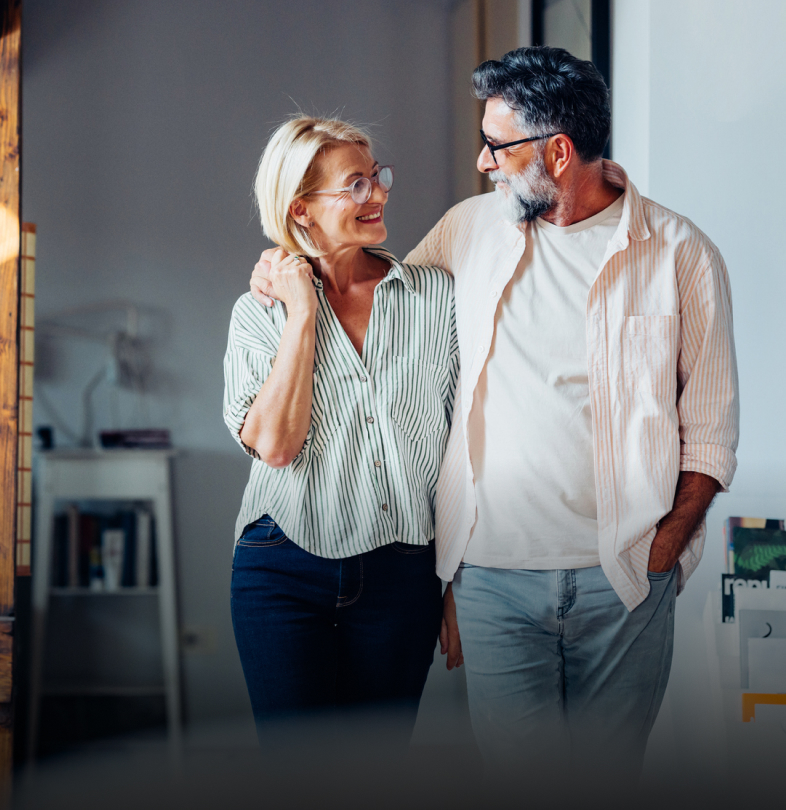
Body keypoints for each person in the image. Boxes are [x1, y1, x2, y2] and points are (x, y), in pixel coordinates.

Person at [250, 48, 739, 790]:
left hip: (628, 578)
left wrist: (667, 543)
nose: (482, 162)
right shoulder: (466, 230)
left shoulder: (681, 254)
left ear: (558, 151)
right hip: (493, 577)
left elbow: (709, 425)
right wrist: (288, 265)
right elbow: (377, 301)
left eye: (497, 145)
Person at [224, 116, 458, 743]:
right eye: (356, 185)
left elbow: (469, 447)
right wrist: (302, 313)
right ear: (302, 209)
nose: (378, 193)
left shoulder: (436, 297)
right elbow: (274, 445)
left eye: (377, 177)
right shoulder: (259, 311)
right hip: (281, 570)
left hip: (403, 574)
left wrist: (460, 581)